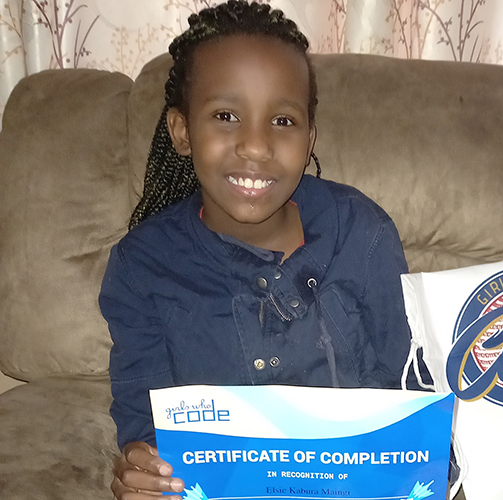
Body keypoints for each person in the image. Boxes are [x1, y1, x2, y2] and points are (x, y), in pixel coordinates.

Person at [98, 1, 421, 497]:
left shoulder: (362, 232)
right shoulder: (141, 267)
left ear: (310, 136)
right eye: (226, 116)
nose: (255, 145)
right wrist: (143, 470)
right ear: (182, 130)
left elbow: (412, 383)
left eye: (283, 121)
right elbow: (146, 424)